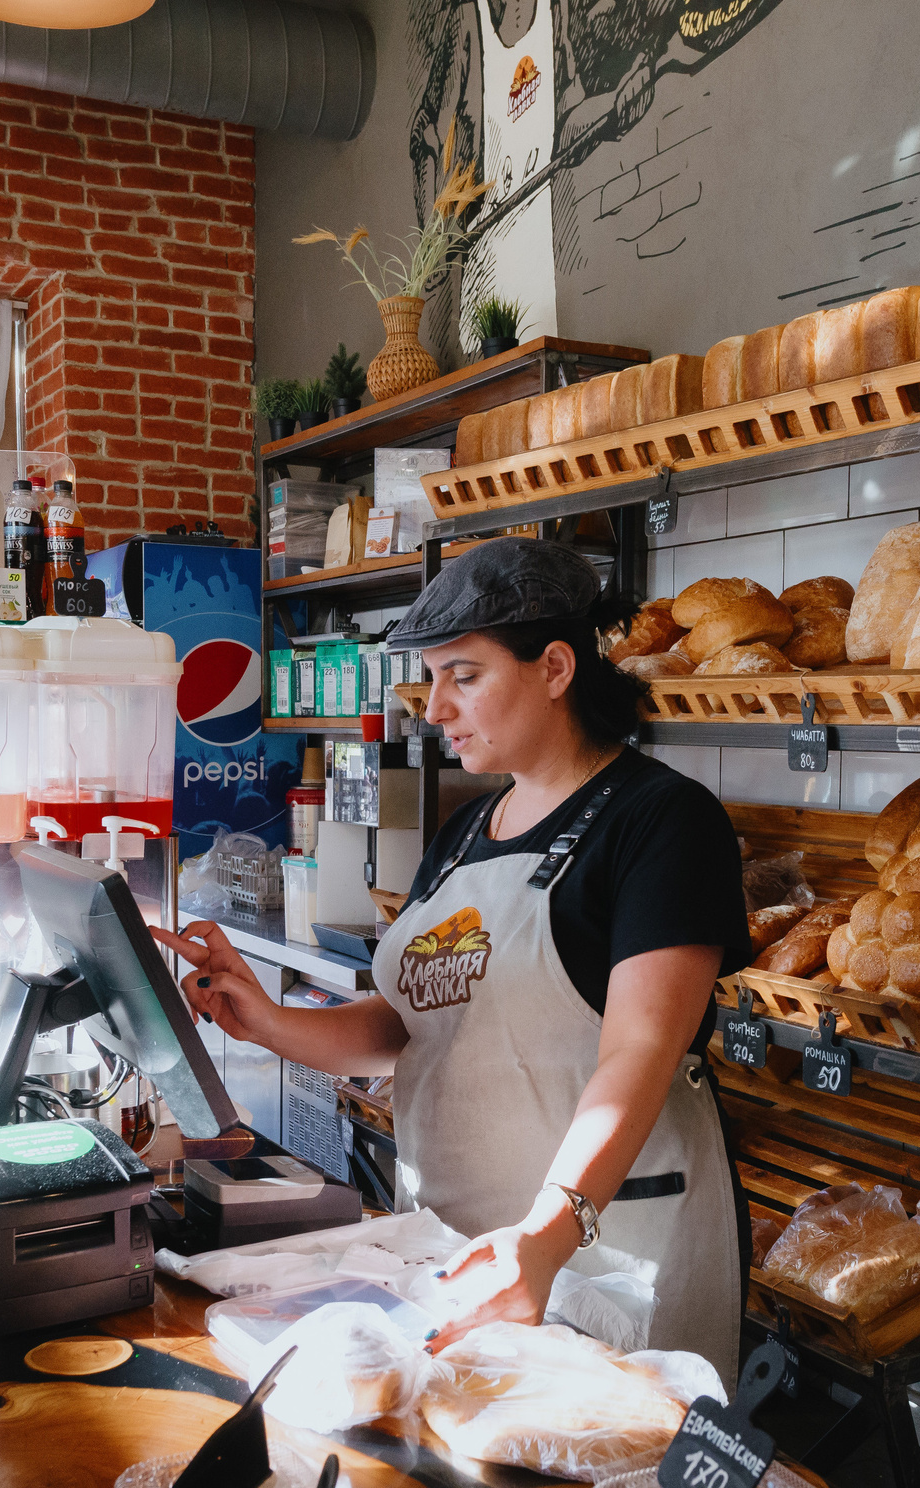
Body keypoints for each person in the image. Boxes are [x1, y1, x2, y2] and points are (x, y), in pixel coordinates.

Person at [160, 538, 753, 1367]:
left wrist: (546, 1238)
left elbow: (640, 1051)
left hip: (603, 1258)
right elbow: (414, 1023)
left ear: (554, 668)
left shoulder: (661, 823)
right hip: (456, 1252)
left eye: (463, 676)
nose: (434, 708)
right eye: (432, 678)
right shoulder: (468, 829)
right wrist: (268, 1021)